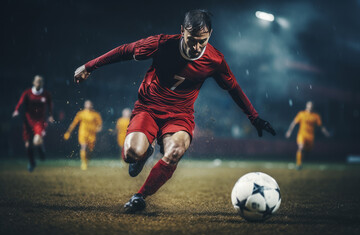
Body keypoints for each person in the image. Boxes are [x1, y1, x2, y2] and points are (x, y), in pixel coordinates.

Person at [74, 9, 276, 213]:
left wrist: (254, 117)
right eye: (192, 40)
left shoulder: (215, 60)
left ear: (210, 35)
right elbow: (125, 51)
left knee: (176, 150)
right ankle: (143, 154)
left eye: (202, 41)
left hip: (180, 115)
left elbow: (234, 88)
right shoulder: (162, 44)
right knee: (131, 153)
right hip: (148, 108)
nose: (196, 47)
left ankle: (139, 196)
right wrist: (90, 66)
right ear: (182, 31)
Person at [12, 75, 54, 172]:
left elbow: (50, 105)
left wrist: (51, 115)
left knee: (36, 141)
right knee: (27, 145)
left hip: (40, 121)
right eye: (37, 81)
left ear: (42, 83)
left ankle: (41, 151)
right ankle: (32, 162)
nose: (38, 83)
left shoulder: (46, 94)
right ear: (33, 82)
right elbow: (21, 102)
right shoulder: (27, 93)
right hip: (28, 120)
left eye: (40, 81)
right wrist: (16, 110)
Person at [286, 101, 330, 170]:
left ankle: (303, 158)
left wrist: (326, 133)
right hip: (302, 135)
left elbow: (321, 126)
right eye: (309, 105)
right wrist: (289, 131)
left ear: (313, 107)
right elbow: (294, 123)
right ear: (306, 106)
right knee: (301, 147)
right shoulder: (301, 114)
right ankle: (299, 164)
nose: (310, 107)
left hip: (310, 137)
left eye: (311, 106)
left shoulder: (316, 116)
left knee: (307, 151)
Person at [64, 100, 102, 170]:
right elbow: (74, 123)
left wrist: (98, 129)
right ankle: (83, 163)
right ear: (84, 105)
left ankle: (87, 159)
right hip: (83, 133)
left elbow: (100, 124)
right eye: (87, 104)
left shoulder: (96, 114)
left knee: (90, 150)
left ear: (92, 105)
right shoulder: (80, 114)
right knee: (83, 146)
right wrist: (68, 132)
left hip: (92, 134)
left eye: (90, 104)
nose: (88, 106)